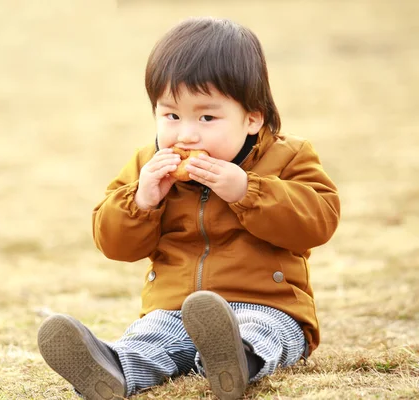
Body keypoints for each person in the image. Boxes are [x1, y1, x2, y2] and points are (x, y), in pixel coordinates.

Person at [37, 16, 340, 400]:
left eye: (207, 117)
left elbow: (319, 221)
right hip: (173, 308)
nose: (186, 134)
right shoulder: (148, 164)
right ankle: (111, 369)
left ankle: (235, 362)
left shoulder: (287, 156)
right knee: (150, 338)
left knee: (258, 332)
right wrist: (142, 200)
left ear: (252, 117)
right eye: (171, 116)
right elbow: (115, 245)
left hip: (268, 304)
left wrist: (247, 190)